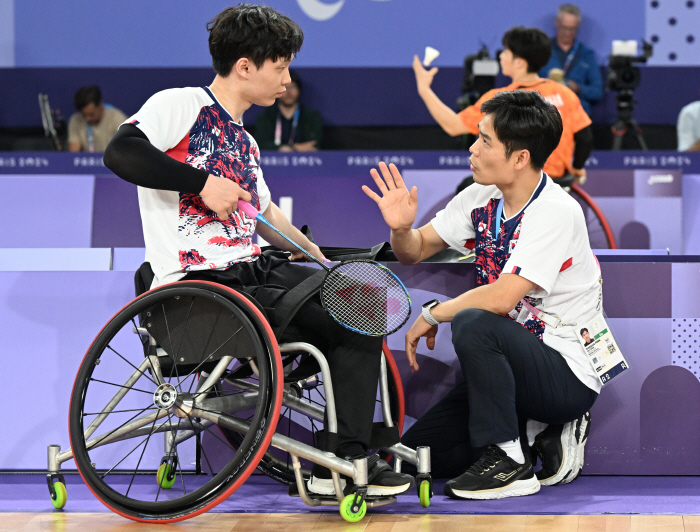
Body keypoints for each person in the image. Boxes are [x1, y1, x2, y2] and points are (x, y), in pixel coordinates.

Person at [104, 4, 413, 497]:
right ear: (245, 65)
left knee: (360, 303)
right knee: (348, 307)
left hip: (253, 278)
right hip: (198, 292)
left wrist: (319, 259)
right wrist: (202, 182)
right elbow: (119, 152)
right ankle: (344, 459)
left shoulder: (246, 142)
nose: (288, 79)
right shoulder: (181, 104)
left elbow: (266, 219)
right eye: (281, 66)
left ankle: (346, 455)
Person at [363, 91, 601, 500]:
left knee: (474, 319)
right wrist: (402, 229)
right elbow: (415, 250)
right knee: (409, 460)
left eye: (485, 141)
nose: (472, 149)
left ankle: (513, 462)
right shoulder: (480, 198)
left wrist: (436, 313)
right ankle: (526, 433)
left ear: (520, 158)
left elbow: (502, 298)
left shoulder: (557, 210)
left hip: (564, 372)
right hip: (508, 367)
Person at [413, 27, 593, 182]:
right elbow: (585, 139)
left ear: (520, 62)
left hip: (517, 183)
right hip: (557, 182)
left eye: (506, 52)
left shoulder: (500, 99)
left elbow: (453, 126)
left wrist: (424, 90)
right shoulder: (565, 94)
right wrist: (577, 168)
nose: (501, 56)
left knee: (466, 188)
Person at [539, 4, 603, 115]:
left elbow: (597, 91)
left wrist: (579, 88)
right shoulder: (541, 50)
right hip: (546, 116)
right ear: (556, 22)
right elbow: (527, 85)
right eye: (564, 28)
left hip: (577, 115)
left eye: (573, 29)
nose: (568, 33)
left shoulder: (587, 54)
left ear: (578, 25)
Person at [254, 70, 323, 151]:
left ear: (299, 91)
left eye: (293, 87)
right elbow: (259, 145)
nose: (289, 92)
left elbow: (314, 145)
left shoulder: (311, 117)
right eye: (285, 87)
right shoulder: (266, 117)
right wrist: (287, 148)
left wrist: (292, 148)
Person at [67, 85, 127, 152]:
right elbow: (73, 155)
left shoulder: (117, 118)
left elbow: (127, 151)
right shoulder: (76, 120)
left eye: (91, 114)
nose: (87, 119)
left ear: (101, 105)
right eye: (84, 115)